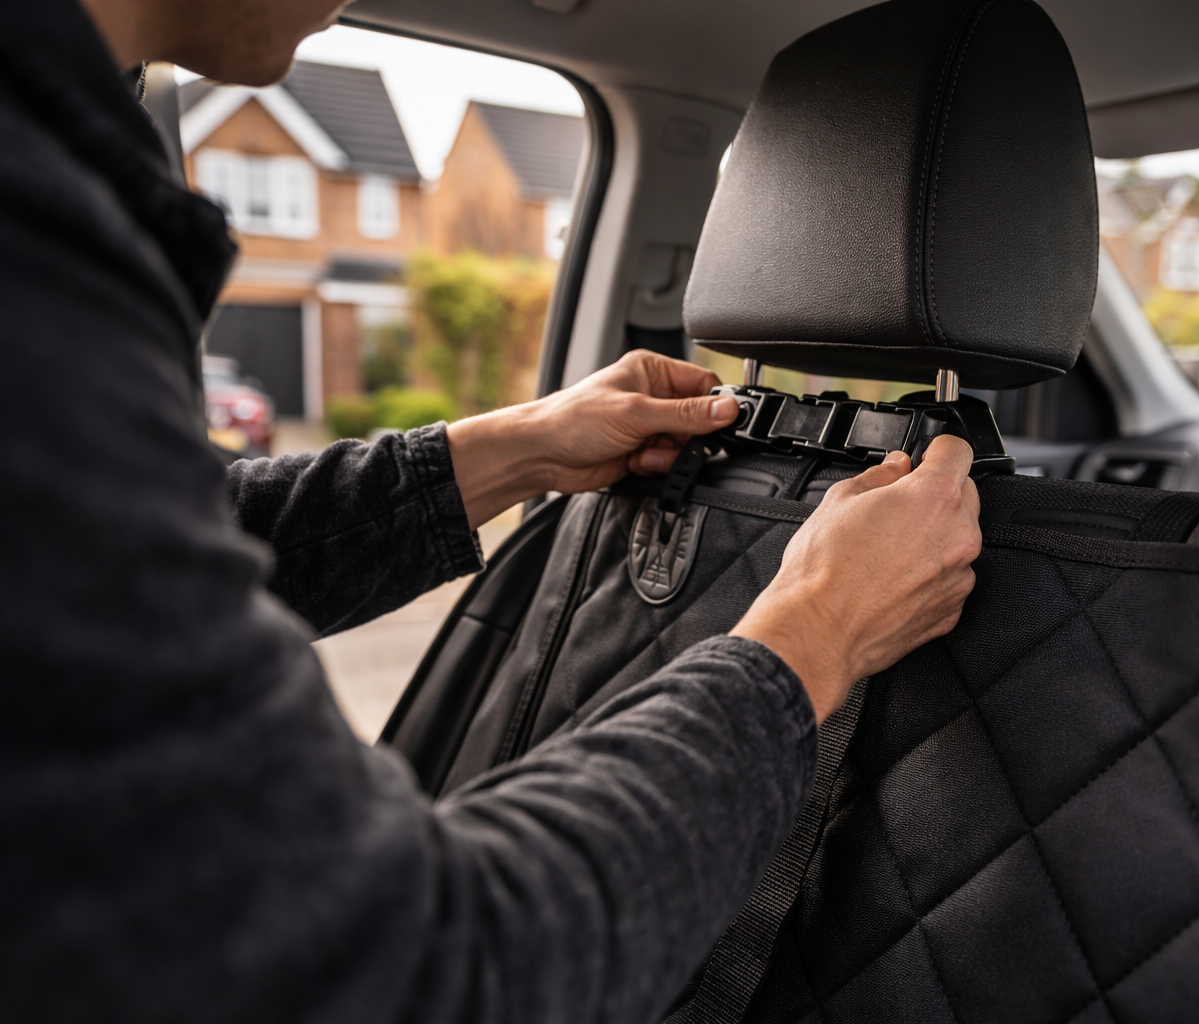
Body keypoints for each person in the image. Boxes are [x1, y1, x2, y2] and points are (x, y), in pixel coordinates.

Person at [0, 0, 983, 1020]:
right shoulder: (36, 260)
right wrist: (816, 630)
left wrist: (513, 449)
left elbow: (124, 558)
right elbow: (412, 972)